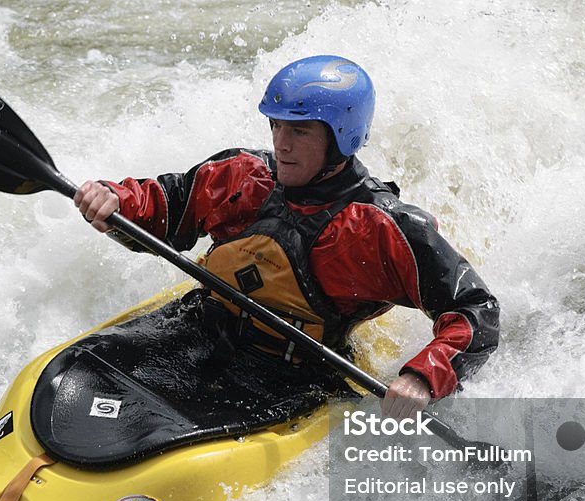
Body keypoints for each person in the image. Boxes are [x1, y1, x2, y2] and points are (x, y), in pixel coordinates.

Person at [74, 55, 499, 420]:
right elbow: (167, 206)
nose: (281, 144)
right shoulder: (242, 176)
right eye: (277, 126)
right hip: (196, 329)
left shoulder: (379, 228)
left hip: (291, 375)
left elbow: (476, 311)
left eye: (299, 132)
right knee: (77, 370)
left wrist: (421, 376)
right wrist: (115, 202)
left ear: (340, 139)